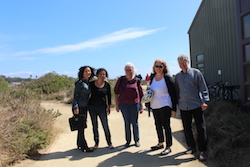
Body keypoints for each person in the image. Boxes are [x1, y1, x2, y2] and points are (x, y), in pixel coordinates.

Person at [175, 54, 209, 161]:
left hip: (196, 105)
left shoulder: (196, 73)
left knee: (200, 128)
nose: (182, 65)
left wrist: (204, 101)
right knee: (187, 128)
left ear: (187, 62)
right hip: (184, 107)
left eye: (183, 62)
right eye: (180, 63)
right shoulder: (178, 76)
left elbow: (203, 88)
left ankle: (203, 150)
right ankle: (192, 148)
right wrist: (178, 105)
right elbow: (177, 91)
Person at [148, 59, 177, 155]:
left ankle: (168, 146)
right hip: (155, 105)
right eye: (157, 66)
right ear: (154, 67)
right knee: (158, 125)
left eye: (161, 66)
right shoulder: (152, 77)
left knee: (166, 126)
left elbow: (173, 93)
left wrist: (174, 109)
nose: (159, 68)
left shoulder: (167, 77)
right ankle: (160, 143)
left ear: (164, 67)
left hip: (165, 105)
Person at [114, 62, 144, 148]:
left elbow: (140, 93)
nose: (128, 71)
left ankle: (136, 140)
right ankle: (128, 141)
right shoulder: (121, 80)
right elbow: (116, 92)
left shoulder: (137, 80)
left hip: (135, 104)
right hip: (123, 104)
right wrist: (117, 104)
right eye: (127, 70)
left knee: (134, 122)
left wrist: (141, 106)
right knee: (127, 122)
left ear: (133, 70)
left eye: (130, 69)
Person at [88, 68, 114, 150]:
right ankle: (96, 143)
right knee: (95, 126)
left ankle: (109, 143)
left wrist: (109, 107)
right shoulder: (91, 84)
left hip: (102, 108)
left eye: (104, 74)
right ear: (97, 75)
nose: (102, 76)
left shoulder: (107, 85)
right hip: (92, 107)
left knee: (105, 126)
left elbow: (109, 97)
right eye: (101, 74)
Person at [72, 66, 95, 152]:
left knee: (81, 125)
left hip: (85, 106)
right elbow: (75, 96)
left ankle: (79, 143)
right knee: (81, 126)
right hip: (79, 107)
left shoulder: (88, 82)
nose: (88, 73)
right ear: (82, 72)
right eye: (86, 71)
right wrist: (75, 107)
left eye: (89, 71)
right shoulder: (80, 83)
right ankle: (84, 146)